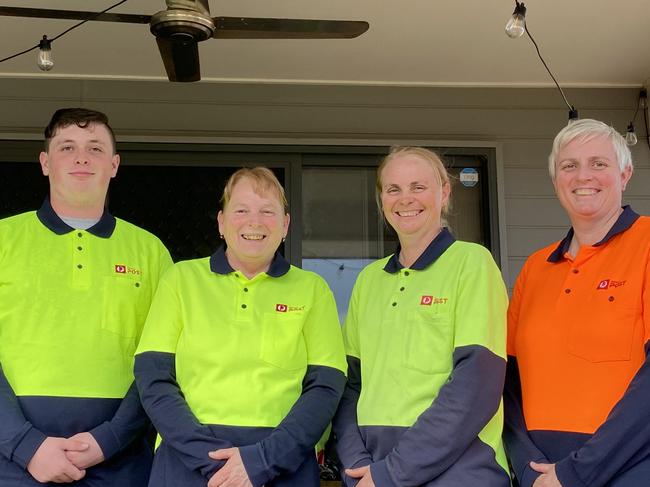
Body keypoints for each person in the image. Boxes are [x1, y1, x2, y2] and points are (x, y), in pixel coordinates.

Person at [134, 166, 347, 487]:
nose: (254, 221)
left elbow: (326, 387)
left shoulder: (313, 289)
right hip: (186, 464)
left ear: (286, 224)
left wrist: (261, 461)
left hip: (282, 465)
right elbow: (153, 379)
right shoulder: (180, 280)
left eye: (267, 211)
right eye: (242, 210)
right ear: (221, 222)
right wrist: (212, 460)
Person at [0, 108, 172, 486]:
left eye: (95, 148)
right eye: (67, 147)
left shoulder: (151, 252)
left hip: (122, 461)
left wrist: (109, 439)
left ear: (114, 165)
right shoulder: (3, 241)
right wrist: (25, 445)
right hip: (10, 460)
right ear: (45, 163)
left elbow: (163, 364)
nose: (81, 157)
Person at [333, 146, 510, 486]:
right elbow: (350, 385)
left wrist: (393, 471)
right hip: (372, 471)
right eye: (393, 189)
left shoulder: (472, 263)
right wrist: (356, 463)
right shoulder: (369, 280)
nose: (405, 199)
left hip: (459, 471)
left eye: (418, 187)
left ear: (444, 192)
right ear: (381, 199)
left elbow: (476, 384)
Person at [504, 118, 650, 487]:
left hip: (631, 469)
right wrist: (527, 466)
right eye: (569, 166)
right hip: (541, 475)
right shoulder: (536, 268)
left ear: (625, 173)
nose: (583, 176)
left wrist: (577, 472)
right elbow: (505, 382)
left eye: (598, 164)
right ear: (556, 182)